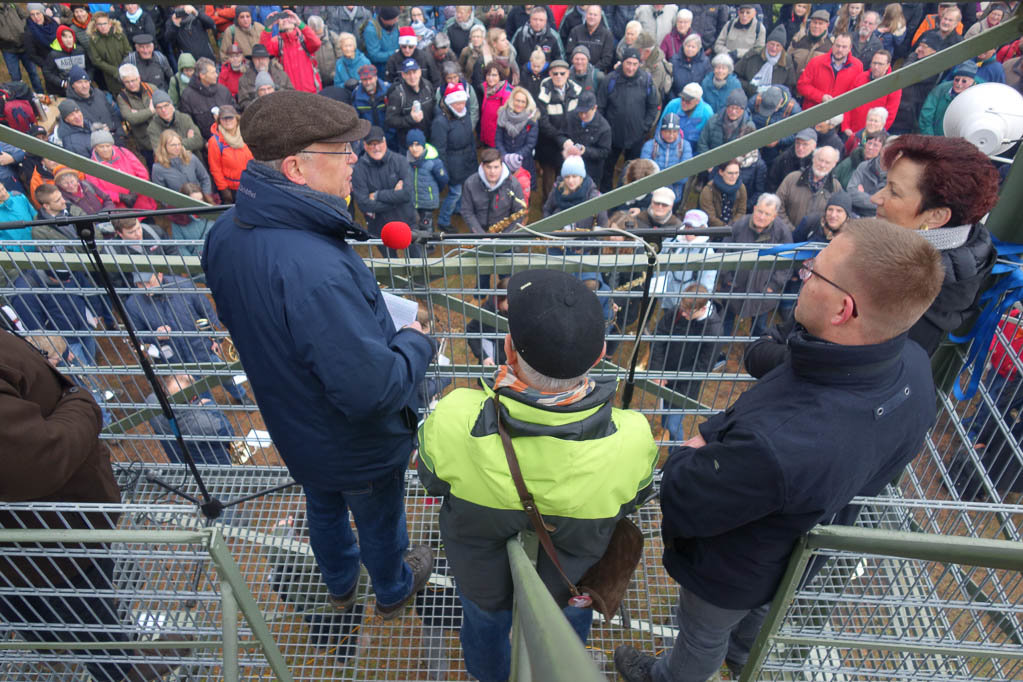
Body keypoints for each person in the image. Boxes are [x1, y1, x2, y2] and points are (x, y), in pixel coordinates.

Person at [614, 219, 945, 682]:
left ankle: (666, 678)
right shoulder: (912, 367)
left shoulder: (784, 444)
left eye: (814, 272)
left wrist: (694, 449)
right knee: (754, 622)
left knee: (701, 637)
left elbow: (685, 496)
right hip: (801, 551)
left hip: (732, 569)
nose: (803, 276)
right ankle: (745, 658)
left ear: (842, 310)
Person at [203, 90, 435, 620]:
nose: (355, 159)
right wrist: (417, 339)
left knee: (323, 505)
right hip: (357, 445)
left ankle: (338, 583)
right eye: (341, 151)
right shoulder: (315, 266)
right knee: (380, 522)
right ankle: (394, 588)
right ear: (296, 168)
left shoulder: (224, 235)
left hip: (295, 427)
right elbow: (373, 391)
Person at [418, 269, 657, 682]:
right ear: (600, 355)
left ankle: (487, 675)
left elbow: (431, 479)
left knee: (484, 625)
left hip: (480, 575)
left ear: (509, 348)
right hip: (571, 579)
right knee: (568, 620)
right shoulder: (634, 437)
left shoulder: (455, 416)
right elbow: (634, 498)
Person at [0, 324, 181, 682]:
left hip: (30, 542)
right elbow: (37, 459)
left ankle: (49, 645)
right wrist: (81, 402)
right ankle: (121, 669)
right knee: (88, 603)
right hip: (51, 535)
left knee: (30, 598)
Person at [870, 135, 1000, 356]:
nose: (875, 198)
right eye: (885, 184)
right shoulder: (964, 249)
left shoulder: (908, 312)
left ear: (937, 216)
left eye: (894, 191)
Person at [650, 281, 724, 442]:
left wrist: (668, 377)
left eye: (687, 312)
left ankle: (675, 454)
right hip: (664, 376)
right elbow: (659, 336)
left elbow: (702, 368)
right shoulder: (679, 311)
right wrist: (657, 370)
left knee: (673, 425)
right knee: (666, 417)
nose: (682, 314)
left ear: (703, 308)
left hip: (685, 386)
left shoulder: (714, 331)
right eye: (682, 308)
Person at [717, 193, 793, 340]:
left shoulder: (783, 233)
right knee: (725, 322)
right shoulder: (739, 225)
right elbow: (723, 250)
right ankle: (719, 350)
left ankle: (755, 351)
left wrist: (772, 285)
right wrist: (727, 278)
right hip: (734, 286)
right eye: (760, 211)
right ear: (754, 208)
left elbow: (787, 263)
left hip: (763, 291)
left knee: (760, 327)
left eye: (767, 214)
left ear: (774, 216)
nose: (762, 217)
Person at [350, 125, 419, 257]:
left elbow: (406, 194)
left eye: (379, 143)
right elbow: (364, 204)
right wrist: (395, 198)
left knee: (418, 263)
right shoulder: (358, 170)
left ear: (385, 142)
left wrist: (377, 195)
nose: (376, 147)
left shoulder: (400, 161)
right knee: (392, 267)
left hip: (407, 223)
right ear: (364, 145)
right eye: (371, 144)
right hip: (379, 229)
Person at [598, 46, 660, 192]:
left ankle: (627, 196)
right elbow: (600, 107)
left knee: (633, 170)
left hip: (636, 136)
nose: (631, 68)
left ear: (639, 64)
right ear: (622, 62)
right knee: (607, 169)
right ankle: (606, 198)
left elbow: (653, 106)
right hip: (612, 136)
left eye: (634, 64)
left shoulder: (646, 81)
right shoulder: (610, 80)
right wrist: (605, 130)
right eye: (628, 63)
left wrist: (644, 127)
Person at [432, 82, 476, 232]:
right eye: (457, 103)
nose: (461, 105)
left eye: (463, 102)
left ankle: (458, 209)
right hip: (452, 163)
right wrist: (444, 170)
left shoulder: (465, 114)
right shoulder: (440, 121)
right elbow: (440, 150)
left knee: (462, 190)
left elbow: (470, 138)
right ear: (449, 102)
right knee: (455, 192)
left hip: (466, 159)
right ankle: (444, 220)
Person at [535, 59, 581, 200]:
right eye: (555, 74)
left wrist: (570, 141)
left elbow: (579, 117)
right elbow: (543, 123)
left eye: (562, 73)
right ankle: (547, 210)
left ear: (568, 73)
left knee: (566, 178)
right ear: (550, 74)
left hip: (569, 144)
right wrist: (561, 139)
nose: (559, 76)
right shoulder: (543, 94)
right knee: (548, 182)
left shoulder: (576, 90)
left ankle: (562, 207)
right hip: (548, 145)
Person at [88, 128, 157, 211]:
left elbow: (142, 173)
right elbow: (98, 191)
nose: (105, 149)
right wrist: (119, 197)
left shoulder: (124, 152)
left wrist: (135, 190)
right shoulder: (91, 167)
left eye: (108, 146)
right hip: (120, 210)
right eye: (101, 147)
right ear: (95, 148)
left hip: (141, 203)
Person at [462, 147, 527, 235]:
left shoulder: (513, 184)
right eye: (488, 167)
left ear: (502, 166)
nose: (492, 171)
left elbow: (519, 213)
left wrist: (505, 236)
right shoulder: (470, 183)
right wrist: (480, 235)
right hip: (479, 234)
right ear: (482, 166)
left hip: (505, 235)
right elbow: (467, 211)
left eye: (496, 167)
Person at [776, 145, 842, 229]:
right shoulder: (792, 178)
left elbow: (837, 216)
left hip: (816, 239)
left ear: (834, 164)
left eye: (827, 162)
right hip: (787, 236)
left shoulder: (836, 187)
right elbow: (777, 205)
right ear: (813, 158)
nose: (822, 165)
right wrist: (790, 231)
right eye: (820, 160)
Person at [259, 8, 321, 93]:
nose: (285, 20)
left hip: (310, 91)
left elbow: (316, 43)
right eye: (282, 19)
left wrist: (299, 22)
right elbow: (263, 52)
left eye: (289, 17)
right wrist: (268, 27)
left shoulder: (304, 39)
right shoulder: (277, 42)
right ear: (278, 24)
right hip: (289, 94)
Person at [559, 89, 612, 186]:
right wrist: (565, 141)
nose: (583, 115)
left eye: (586, 112)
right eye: (580, 112)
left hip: (591, 172)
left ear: (595, 108)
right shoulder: (570, 117)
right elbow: (560, 134)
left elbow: (604, 152)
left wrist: (585, 151)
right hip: (570, 167)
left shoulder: (604, 128)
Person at [797, 33, 863, 109]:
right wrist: (821, 97)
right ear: (833, 45)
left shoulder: (858, 66)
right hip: (814, 112)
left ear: (850, 48)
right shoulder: (816, 62)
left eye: (844, 47)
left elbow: (857, 94)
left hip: (839, 115)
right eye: (837, 45)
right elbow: (802, 86)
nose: (839, 49)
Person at [178, 56, 235, 141]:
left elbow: (235, 113)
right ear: (202, 75)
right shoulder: (188, 97)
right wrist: (204, 143)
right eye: (213, 73)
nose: (216, 75)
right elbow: (188, 126)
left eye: (216, 72)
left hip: (230, 139)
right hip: (207, 145)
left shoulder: (223, 91)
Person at [918, 61, 980, 137]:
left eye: (964, 81)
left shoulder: (977, 96)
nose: (959, 84)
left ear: (972, 82)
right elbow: (926, 115)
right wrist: (930, 138)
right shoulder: (941, 88)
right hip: (935, 137)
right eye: (957, 79)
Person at [733, 25, 797, 97]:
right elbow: (735, 77)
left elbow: (790, 86)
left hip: (774, 100)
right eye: (772, 44)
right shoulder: (753, 55)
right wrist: (752, 88)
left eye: (778, 45)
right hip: (748, 96)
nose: (774, 48)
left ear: (782, 48)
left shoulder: (787, 61)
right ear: (767, 43)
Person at [641, 113, 692, 204]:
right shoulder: (649, 145)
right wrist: (672, 177)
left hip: (674, 197)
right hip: (651, 196)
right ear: (661, 131)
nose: (671, 135)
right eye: (668, 131)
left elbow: (684, 176)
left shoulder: (685, 146)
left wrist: (659, 177)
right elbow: (645, 173)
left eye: (674, 132)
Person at [206, 105, 252, 204]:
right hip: (232, 189)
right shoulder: (215, 142)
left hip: (250, 184)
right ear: (219, 121)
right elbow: (215, 168)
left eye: (230, 117)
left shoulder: (247, 134)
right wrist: (224, 190)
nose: (228, 121)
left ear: (236, 118)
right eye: (224, 118)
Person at [404, 128, 447, 231]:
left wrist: (433, 191)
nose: (414, 148)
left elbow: (443, 180)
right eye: (411, 145)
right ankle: (416, 246)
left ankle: (430, 246)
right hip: (412, 201)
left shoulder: (434, 162)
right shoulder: (405, 161)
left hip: (427, 202)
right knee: (414, 226)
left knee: (427, 227)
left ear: (423, 145)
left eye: (417, 144)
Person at [151, 129, 213, 199]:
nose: (177, 148)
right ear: (164, 146)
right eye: (173, 145)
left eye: (179, 144)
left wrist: (205, 196)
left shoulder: (191, 158)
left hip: (200, 201)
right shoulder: (158, 168)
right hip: (178, 206)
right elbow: (161, 193)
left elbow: (205, 178)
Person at [494, 86, 539, 182]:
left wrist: (517, 157)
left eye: (523, 102)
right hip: (504, 161)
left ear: (527, 104)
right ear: (512, 101)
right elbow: (498, 139)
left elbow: (530, 144)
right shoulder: (503, 115)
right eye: (517, 100)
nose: (519, 104)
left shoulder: (531, 119)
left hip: (524, 162)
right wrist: (505, 156)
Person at [86, 11, 131, 95]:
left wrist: (123, 68)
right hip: (111, 76)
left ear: (110, 24)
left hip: (127, 71)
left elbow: (128, 51)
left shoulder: (119, 34)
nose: (103, 26)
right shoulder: (94, 40)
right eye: (99, 24)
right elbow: (97, 61)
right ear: (96, 26)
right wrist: (115, 71)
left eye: (104, 23)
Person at [146, 88, 203, 154]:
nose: (163, 110)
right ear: (156, 110)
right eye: (159, 107)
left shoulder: (184, 118)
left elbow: (199, 141)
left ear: (171, 105)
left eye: (166, 105)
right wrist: (188, 143)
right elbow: (160, 153)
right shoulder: (153, 128)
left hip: (194, 159)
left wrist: (169, 146)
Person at [237, 43, 293, 110]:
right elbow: (243, 101)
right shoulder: (244, 80)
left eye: (263, 58)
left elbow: (292, 94)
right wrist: (258, 108)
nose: (261, 61)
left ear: (268, 59)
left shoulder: (282, 75)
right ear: (252, 61)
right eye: (257, 59)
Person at [565, 5, 615, 73]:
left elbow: (607, 59)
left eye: (595, 15)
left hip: (597, 73)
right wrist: (579, 67)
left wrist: (592, 70)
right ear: (586, 15)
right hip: (576, 71)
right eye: (590, 14)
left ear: (600, 17)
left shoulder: (607, 35)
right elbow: (569, 53)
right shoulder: (575, 31)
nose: (592, 17)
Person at [700, 159, 746, 227]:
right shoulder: (708, 190)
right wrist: (726, 227)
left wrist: (733, 226)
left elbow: (741, 211)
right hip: (713, 230)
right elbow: (710, 217)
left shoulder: (741, 187)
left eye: (736, 173)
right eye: (730, 173)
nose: (734, 176)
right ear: (721, 172)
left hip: (734, 228)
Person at [787, 8, 832, 74]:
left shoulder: (831, 45)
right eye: (814, 22)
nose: (816, 26)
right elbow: (788, 58)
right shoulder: (799, 37)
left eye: (820, 23)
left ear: (827, 25)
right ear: (810, 23)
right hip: (793, 81)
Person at [669, 34, 709, 99]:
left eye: (693, 47)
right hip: (676, 99)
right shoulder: (674, 60)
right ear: (684, 46)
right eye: (688, 46)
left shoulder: (705, 62)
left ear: (698, 48)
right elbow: (669, 85)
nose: (690, 49)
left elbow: (706, 85)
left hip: (696, 100)